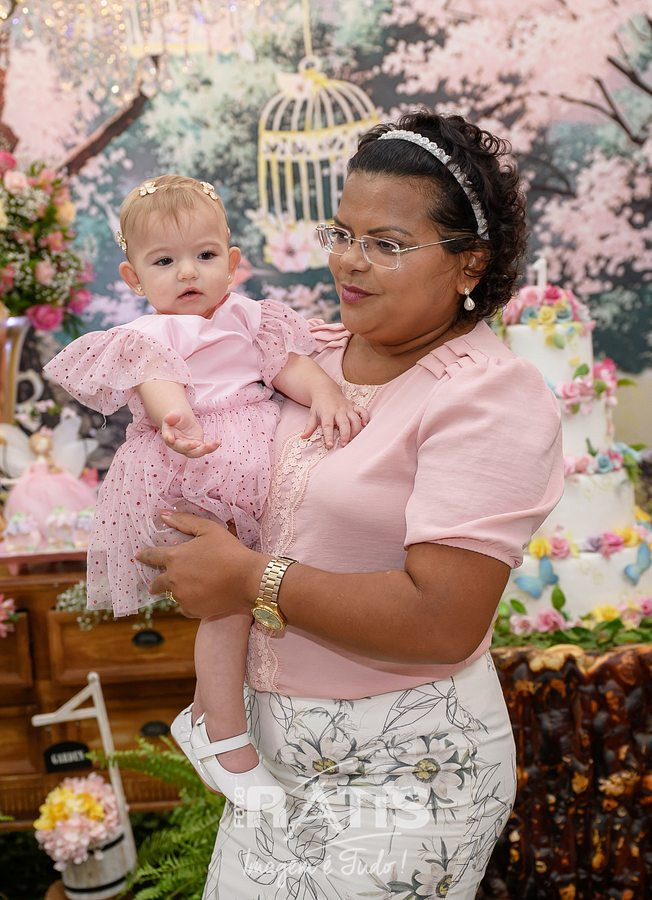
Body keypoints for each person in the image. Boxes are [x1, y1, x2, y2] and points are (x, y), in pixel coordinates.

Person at [136, 112, 565, 897]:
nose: (349, 261)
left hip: (409, 767)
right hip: (273, 767)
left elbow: (442, 620)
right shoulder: (306, 355)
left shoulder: (490, 396)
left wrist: (248, 579)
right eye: (342, 232)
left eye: (387, 244)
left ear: (469, 262)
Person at [43, 174, 368, 812]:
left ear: (233, 261)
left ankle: (219, 713)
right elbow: (159, 383)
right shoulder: (148, 336)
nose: (188, 272)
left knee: (267, 590)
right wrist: (177, 419)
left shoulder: (252, 318)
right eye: (164, 262)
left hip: (257, 461)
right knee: (230, 605)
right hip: (197, 465)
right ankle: (223, 735)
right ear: (134, 278)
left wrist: (325, 393)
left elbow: (290, 368)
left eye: (205, 255)